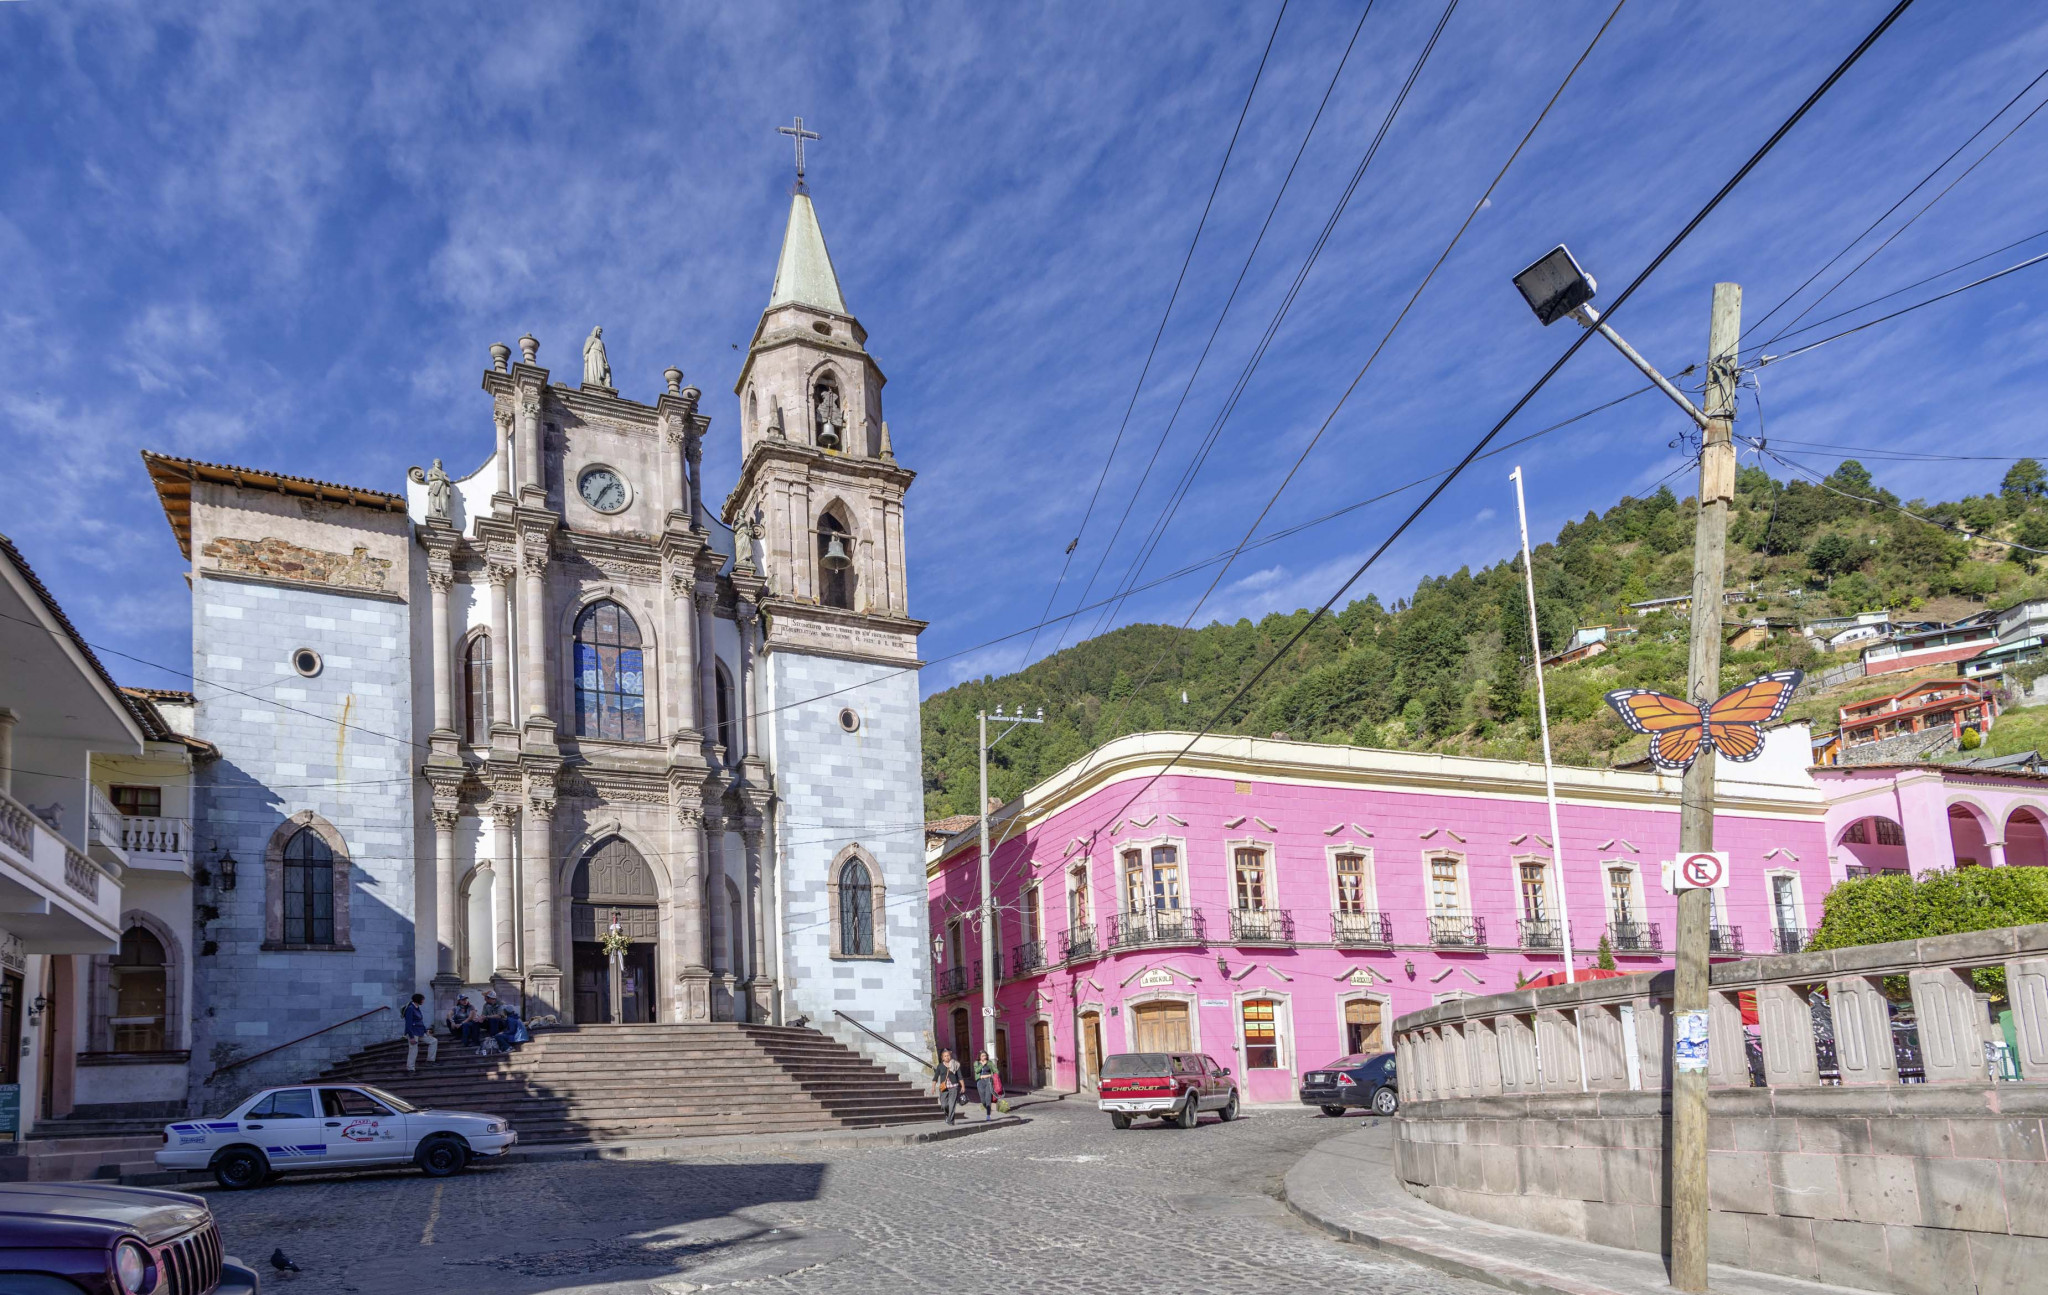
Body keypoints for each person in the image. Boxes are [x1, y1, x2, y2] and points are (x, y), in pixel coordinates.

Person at [402, 993, 437, 1072]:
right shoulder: (410, 1008)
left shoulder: (417, 1008)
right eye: (422, 999)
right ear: (418, 1000)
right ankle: (410, 1068)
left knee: (433, 1041)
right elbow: (408, 1024)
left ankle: (430, 1061)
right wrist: (411, 1037)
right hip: (413, 1032)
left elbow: (420, 1021)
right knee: (413, 1050)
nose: (423, 1001)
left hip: (420, 1031)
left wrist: (425, 1031)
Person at [934, 1049, 966, 1125]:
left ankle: (951, 1120)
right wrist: (933, 1087)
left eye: (948, 1055)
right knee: (944, 1105)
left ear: (950, 1056)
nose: (947, 1057)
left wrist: (963, 1086)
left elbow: (960, 1076)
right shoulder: (940, 1066)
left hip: (953, 1087)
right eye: (945, 1056)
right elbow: (935, 1077)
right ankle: (947, 1115)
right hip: (944, 1088)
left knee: (952, 1104)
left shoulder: (955, 1064)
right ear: (942, 1058)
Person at [974, 1050, 997, 1121]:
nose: (984, 1057)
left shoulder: (989, 1063)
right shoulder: (976, 1063)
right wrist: (982, 1065)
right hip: (980, 1082)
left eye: (985, 1056)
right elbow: (977, 1071)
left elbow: (996, 1071)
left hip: (988, 1081)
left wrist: (990, 1075)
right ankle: (988, 1108)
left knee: (988, 1098)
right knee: (983, 1100)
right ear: (979, 1057)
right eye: (982, 1056)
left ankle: (988, 1115)